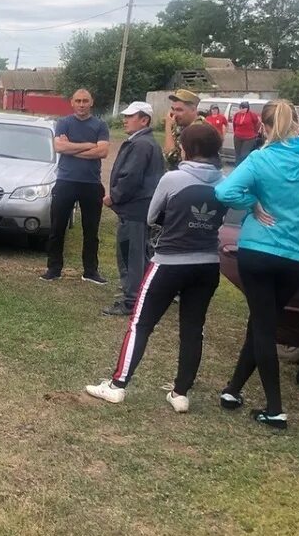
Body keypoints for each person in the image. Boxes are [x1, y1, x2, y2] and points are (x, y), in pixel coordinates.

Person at [215, 100, 299, 430]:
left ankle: (275, 408)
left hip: (258, 252)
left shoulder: (260, 158)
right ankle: (233, 390)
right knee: (261, 321)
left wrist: (252, 204)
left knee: (263, 326)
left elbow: (225, 191)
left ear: (264, 127)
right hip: (295, 258)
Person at [86, 124, 227, 410]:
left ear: (188, 148)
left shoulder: (173, 178)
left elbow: (151, 217)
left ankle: (117, 385)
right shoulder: (224, 181)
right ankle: (181, 393)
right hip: (208, 264)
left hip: (170, 262)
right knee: (192, 328)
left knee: (141, 323)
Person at [102, 102, 165, 316]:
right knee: (140, 254)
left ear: (144, 120)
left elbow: (131, 178)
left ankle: (132, 301)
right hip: (141, 209)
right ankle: (143, 295)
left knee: (131, 254)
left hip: (135, 210)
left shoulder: (141, 145)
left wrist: (115, 197)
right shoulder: (146, 142)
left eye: (130, 116)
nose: (125, 120)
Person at [41, 89, 110, 284]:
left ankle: (90, 271)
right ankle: (53, 268)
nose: (81, 104)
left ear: (91, 102)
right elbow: (59, 148)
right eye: (78, 101)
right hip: (66, 181)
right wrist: (90, 145)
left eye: (85, 101)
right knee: (57, 227)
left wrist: (73, 148)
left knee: (91, 230)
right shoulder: (63, 123)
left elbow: (103, 151)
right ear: (72, 102)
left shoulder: (100, 124)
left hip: (91, 183)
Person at [163, 88, 206, 171]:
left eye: (179, 110)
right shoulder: (182, 126)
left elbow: (172, 158)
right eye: (173, 109)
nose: (174, 114)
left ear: (193, 110)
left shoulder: (198, 130)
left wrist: (168, 126)